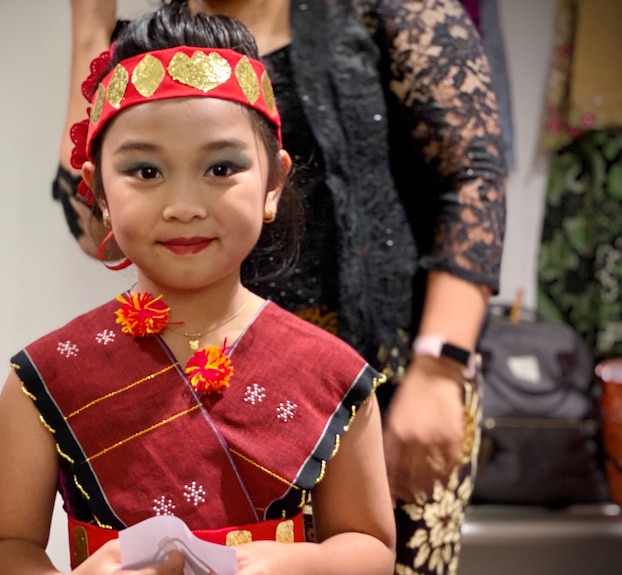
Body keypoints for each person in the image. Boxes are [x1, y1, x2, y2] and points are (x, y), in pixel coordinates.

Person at [52, 1, 507, 573]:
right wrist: (91, 32)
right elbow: (97, 225)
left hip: (387, 375)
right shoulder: (157, 45)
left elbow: (472, 176)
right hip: (217, 393)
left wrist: (440, 365)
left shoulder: (385, 9)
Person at [0, 5, 396, 575]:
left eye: (221, 168)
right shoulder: (43, 380)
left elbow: (371, 546)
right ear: (97, 193)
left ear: (272, 184)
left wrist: (293, 567)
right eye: (146, 172)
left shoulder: (334, 375)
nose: (184, 207)